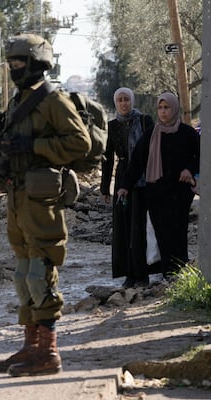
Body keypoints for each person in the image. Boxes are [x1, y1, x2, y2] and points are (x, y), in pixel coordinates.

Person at [0, 34, 91, 377]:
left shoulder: (53, 100)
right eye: (11, 63)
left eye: (20, 62)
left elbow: (80, 142)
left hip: (42, 199)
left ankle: (49, 353)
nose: (14, 68)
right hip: (17, 197)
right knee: (22, 276)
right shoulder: (18, 101)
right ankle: (31, 346)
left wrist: (33, 145)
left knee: (39, 273)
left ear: (37, 64)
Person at [117, 92, 199, 278]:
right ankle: (167, 273)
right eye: (160, 108)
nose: (163, 112)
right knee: (162, 232)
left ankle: (180, 271)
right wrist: (124, 185)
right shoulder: (151, 135)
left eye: (166, 107)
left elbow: (199, 156)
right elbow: (137, 162)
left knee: (178, 231)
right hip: (157, 192)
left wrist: (189, 169)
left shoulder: (187, 133)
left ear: (174, 108)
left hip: (180, 192)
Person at [100, 88, 155, 288]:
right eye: (120, 100)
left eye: (126, 99)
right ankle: (128, 274)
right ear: (116, 103)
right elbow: (107, 158)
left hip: (144, 177)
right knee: (123, 226)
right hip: (123, 176)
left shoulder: (145, 121)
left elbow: (155, 150)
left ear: (132, 101)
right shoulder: (113, 126)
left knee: (139, 226)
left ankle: (143, 274)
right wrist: (105, 188)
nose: (124, 103)